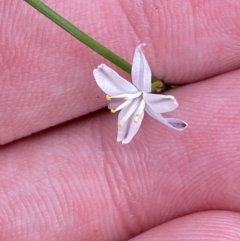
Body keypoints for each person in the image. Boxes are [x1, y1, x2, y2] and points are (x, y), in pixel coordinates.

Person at [0, 0, 240, 240]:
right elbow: (128, 90)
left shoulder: (145, 100)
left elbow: (154, 105)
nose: (114, 105)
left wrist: (143, 68)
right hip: (141, 95)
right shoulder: (139, 97)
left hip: (142, 96)